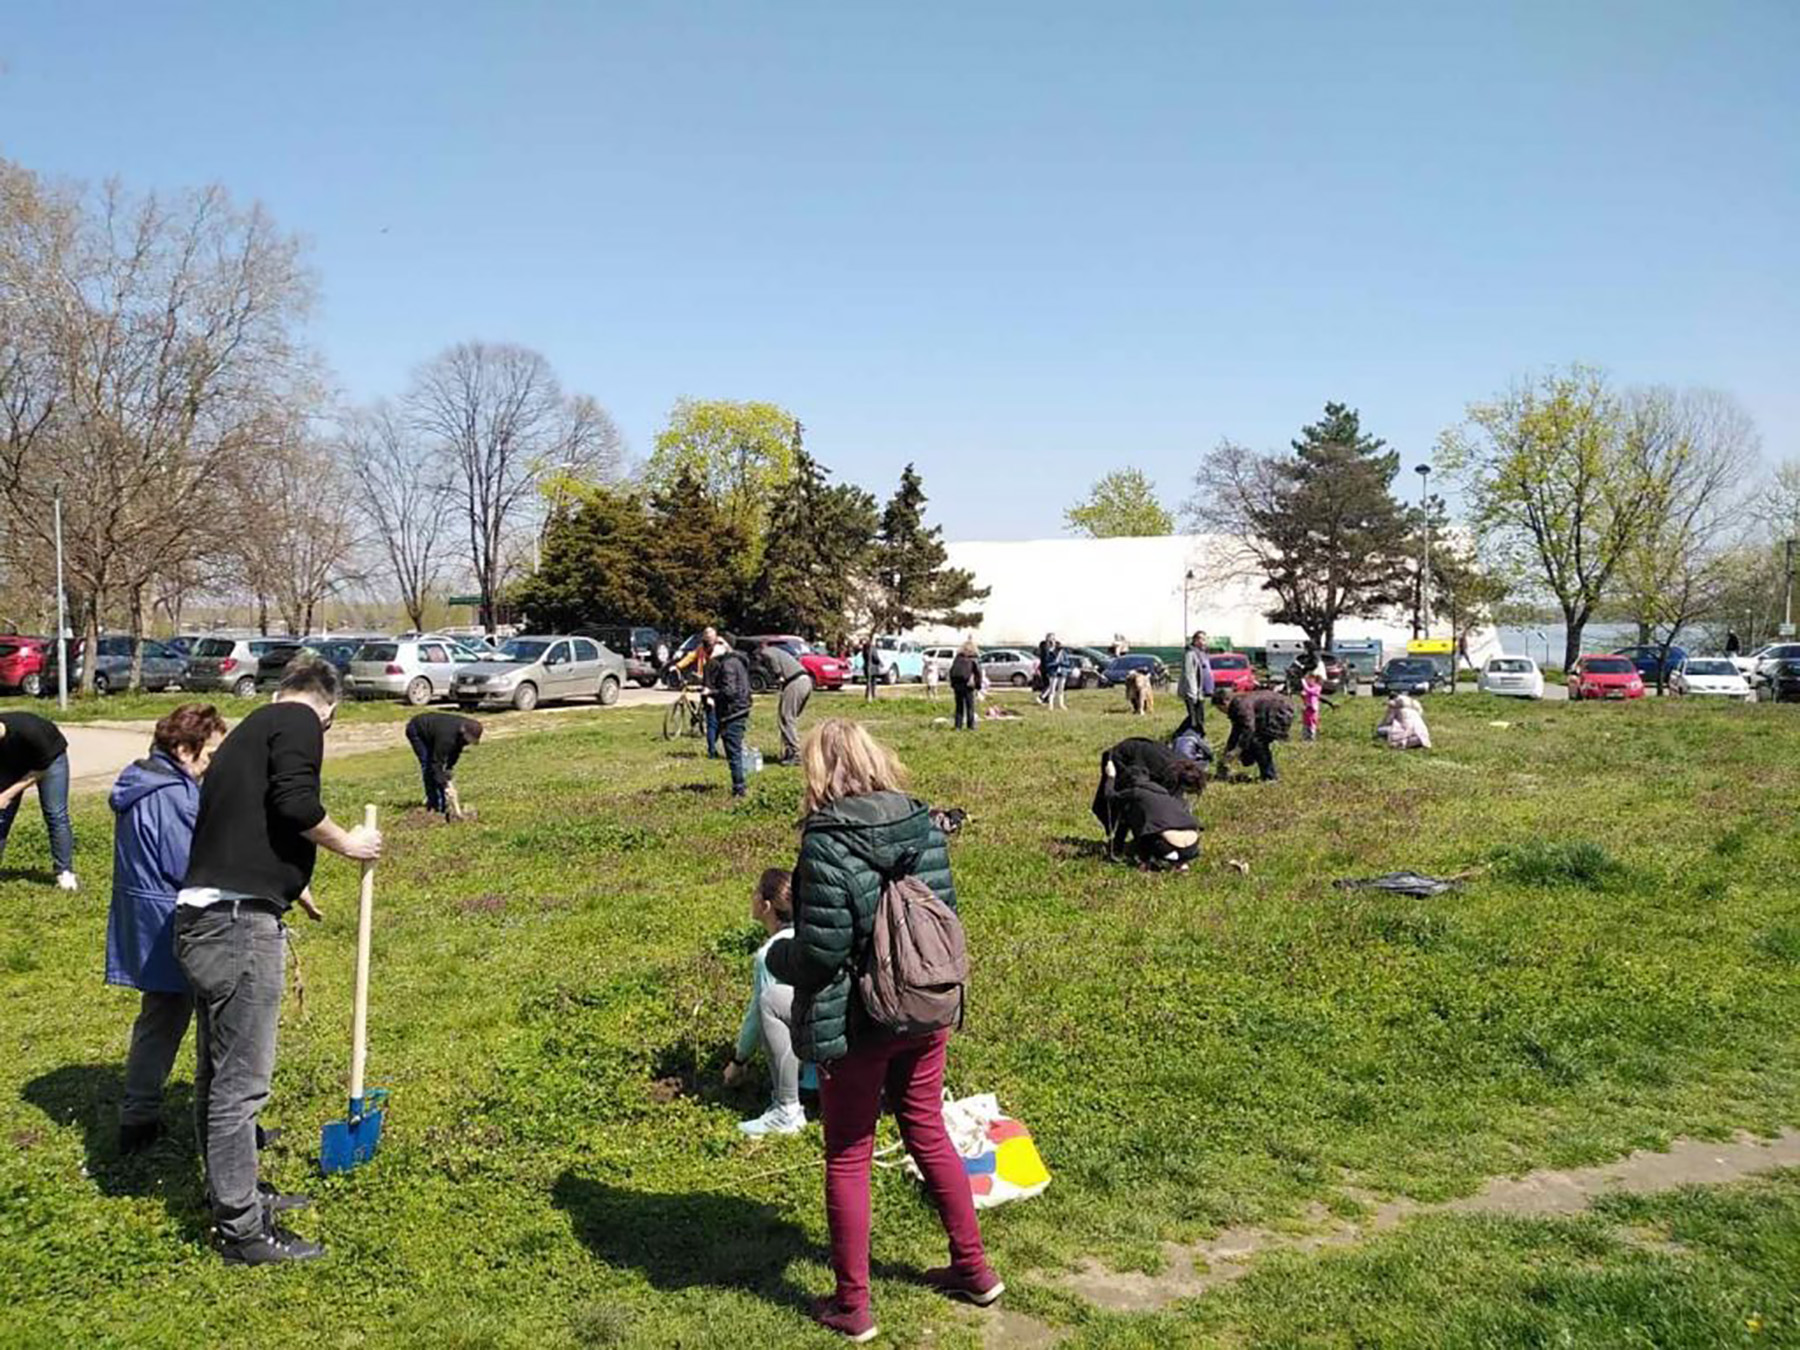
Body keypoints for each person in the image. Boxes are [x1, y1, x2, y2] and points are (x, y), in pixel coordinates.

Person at [766, 720, 1001, 1340]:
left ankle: (853, 1305)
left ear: (817, 771)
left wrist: (776, 955)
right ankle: (974, 1270)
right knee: (927, 1130)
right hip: (924, 1004)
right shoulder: (923, 822)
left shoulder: (824, 841)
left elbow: (820, 954)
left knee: (848, 1155)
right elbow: (941, 912)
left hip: (855, 1020)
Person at [176, 656, 383, 1264]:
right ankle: (242, 1230)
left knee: (218, 1079)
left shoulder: (246, 731)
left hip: (204, 919)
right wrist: (348, 843)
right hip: (238, 929)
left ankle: (232, 1194)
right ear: (331, 707)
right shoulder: (299, 722)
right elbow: (294, 804)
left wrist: (291, 881)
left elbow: (244, 823)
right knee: (240, 1089)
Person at [106, 703, 229, 1153]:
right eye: (209, 754)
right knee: (189, 1019)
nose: (213, 764)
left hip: (150, 920)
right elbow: (186, 864)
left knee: (162, 1016)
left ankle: (140, 1117)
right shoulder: (170, 795)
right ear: (183, 748)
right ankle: (151, 1120)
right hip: (172, 924)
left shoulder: (144, 780)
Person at [723, 867, 811, 1137]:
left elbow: (756, 1016)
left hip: (811, 1051)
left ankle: (786, 1108)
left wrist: (738, 1061)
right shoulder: (809, 938)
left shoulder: (770, 954)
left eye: (755, 893)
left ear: (766, 905)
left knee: (768, 1003)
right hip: (836, 1053)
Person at [0, 710, 77, 891]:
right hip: (13, 764)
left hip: (50, 761)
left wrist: (7, 794)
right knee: (2, 816)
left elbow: (41, 771)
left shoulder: (29, 730)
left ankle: (64, 872)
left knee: (55, 814)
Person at [1091, 736, 1208, 855]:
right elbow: (1113, 796)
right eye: (1189, 790)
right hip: (1123, 758)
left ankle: (1129, 844)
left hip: (1139, 758)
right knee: (1129, 806)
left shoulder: (1181, 767)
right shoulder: (1165, 775)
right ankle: (1119, 846)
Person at [405, 711, 483, 819]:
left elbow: (455, 752)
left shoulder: (462, 736)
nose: (468, 743)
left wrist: (449, 769)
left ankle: (441, 802)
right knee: (428, 765)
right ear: (463, 732)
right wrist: (445, 785)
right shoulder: (447, 737)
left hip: (434, 732)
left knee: (438, 772)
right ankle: (435, 805)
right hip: (417, 730)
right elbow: (436, 763)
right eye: (468, 740)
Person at [704, 639, 754, 797]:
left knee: (733, 752)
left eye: (715, 645)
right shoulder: (737, 661)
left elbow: (729, 691)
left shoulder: (727, 664)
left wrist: (710, 692)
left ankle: (739, 789)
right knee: (734, 749)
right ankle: (739, 785)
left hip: (734, 711)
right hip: (741, 708)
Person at [751, 641, 812, 767]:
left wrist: (778, 674)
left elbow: (772, 660)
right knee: (790, 718)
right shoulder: (777, 651)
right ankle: (790, 751)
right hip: (804, 681)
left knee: (786, 718)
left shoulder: (766, 652)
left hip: (795, 681)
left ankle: (796, 754)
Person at [1215, 686, 1294, 782]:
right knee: (1250, 745)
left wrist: (1237, 750)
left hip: (1279, 712)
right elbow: (1236, 730)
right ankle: (1256, 765)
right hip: (1270, 711)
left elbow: (1249, 728)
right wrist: (1228, 751)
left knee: (1257, 742)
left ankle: (1270, 777)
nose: (1222, 712)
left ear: (1225, 702)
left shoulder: (1240, 705)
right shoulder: (1236, 705)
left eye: (1220, 709)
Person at [672, 626, 720, 758]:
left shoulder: (719, 650)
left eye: (711, 636)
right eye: (707, 636)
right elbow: (691, 656)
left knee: (714, 720)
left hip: (716, 685)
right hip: (705, 682)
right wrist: (678, 666)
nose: (709, 639)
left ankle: (712, 745)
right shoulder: (701, 648)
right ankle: (712, 750)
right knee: (713, 720)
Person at [1176, 631, 1214, 738]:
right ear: (1195, 640)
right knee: (1195, 718)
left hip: (1201, 692)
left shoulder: (1202, 653)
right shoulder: (1190, 653)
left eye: (1205, 639)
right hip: (1194, 693)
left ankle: (1192, 735)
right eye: (1201, 639)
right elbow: (1190, 674)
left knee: (1198, 717)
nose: (1203, 642)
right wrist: (1192, 693)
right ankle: (1189, 736)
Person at [948, 641, 980, 731]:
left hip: (957, 685)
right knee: (970, 706)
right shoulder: (973, 659)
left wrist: (952, 684)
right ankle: (971, 726)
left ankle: (958, 726)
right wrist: (978, 686)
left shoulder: (957, 658)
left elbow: (951, 671)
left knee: (959, 706)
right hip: (968, 685)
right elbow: (978, 673)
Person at [1299, 672, 1337, 742]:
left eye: (1309, 680)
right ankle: (1305, 737)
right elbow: (1304, 694)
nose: (1307, 682)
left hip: (1313, 707)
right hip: (1307, 707)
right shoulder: (1310, 688)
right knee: (1305, 722)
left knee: (1312, 722)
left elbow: (1309, 691)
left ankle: (1312, 737)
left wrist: (1303, 683)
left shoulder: (1317, 688)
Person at [1041, 634, 1070, 711]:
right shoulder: (1048, 651)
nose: (1052, 641)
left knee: (1061, 689)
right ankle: (1051, 705)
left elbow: (1067, 662)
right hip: (1053, 673)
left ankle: (1061, 704)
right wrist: (1056, 663)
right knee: (1052, 689)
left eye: (1053, 639)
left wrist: (1062, 663)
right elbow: (1047, 664)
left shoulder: (1062, 651)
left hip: (1062, 672)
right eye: (1050, 640)